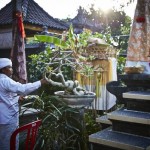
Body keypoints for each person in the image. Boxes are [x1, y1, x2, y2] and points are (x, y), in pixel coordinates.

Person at [0, 58, 48, 150]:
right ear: (3, 69)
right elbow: (23, 89)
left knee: (2, 142)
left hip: (2, 117)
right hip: (8, 118)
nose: (12, 69)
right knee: (10, 143)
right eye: (9, 67)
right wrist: (40, 82)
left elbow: (3, 97)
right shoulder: (5, 80)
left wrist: (17, 98)